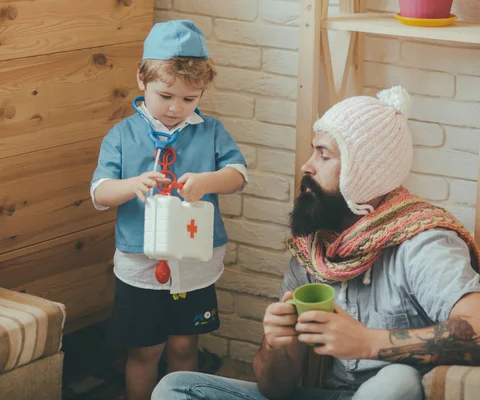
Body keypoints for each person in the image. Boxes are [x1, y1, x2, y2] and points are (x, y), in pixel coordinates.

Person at [151, 86, 480, 400]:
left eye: (324, 155)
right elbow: (275, 388)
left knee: (398, 380)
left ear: (363, 172)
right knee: (175, 388)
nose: (306, 166)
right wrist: (275, 345)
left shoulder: (422, 241)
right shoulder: (314, 253)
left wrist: (367, 343)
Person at [90, 20, 248, 400]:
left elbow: (238, 175)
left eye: (190, 99)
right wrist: (132, 186)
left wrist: (208, 182)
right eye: (166, 96)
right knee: (144, 350)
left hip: (194, 260)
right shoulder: (122, 136)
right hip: (140, 262)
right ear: (142, 80)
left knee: (183, 346)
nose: (176, 108)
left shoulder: (210, 131)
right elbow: (100, 192)